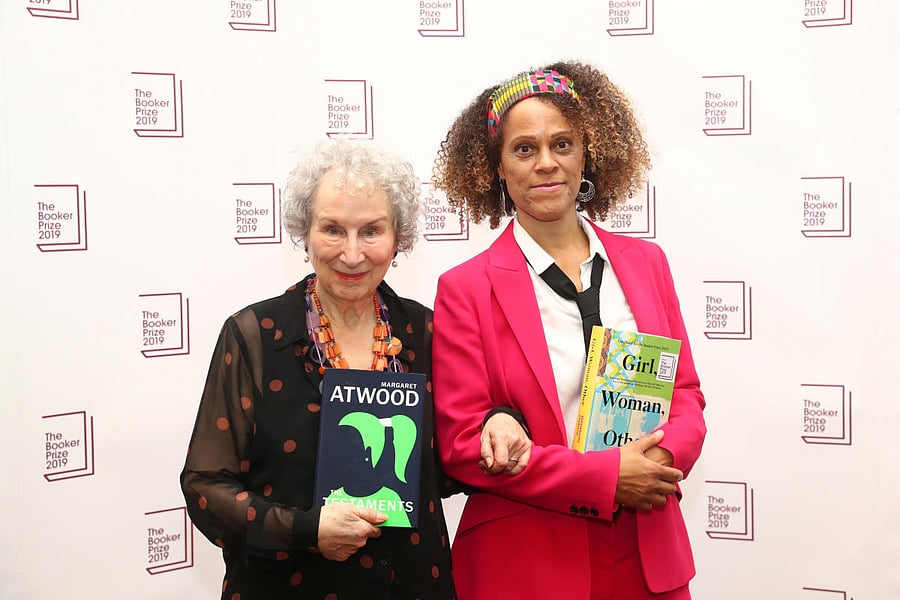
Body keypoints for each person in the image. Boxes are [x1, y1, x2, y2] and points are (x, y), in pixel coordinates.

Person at [180, 138, 530, 599]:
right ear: (304, 233)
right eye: (332, 230)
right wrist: (307, 530)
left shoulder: (427, 331)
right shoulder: (256, 336)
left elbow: (451, 462)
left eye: (371, 231)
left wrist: (499, 420)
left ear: (397, 237)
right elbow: (206, 486)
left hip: (409, 583)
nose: (351, 254)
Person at [431, 61, 707, 599]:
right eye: (524, 149)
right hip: (526, 565)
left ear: (587, 155)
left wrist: (658, 461)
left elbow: (687, 396)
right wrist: (605, 478)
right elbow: (464, 444)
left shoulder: (647, 262)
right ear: (498, 168)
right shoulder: (465, 288)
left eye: (562, 143)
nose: (546, 164)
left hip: (648, 553)